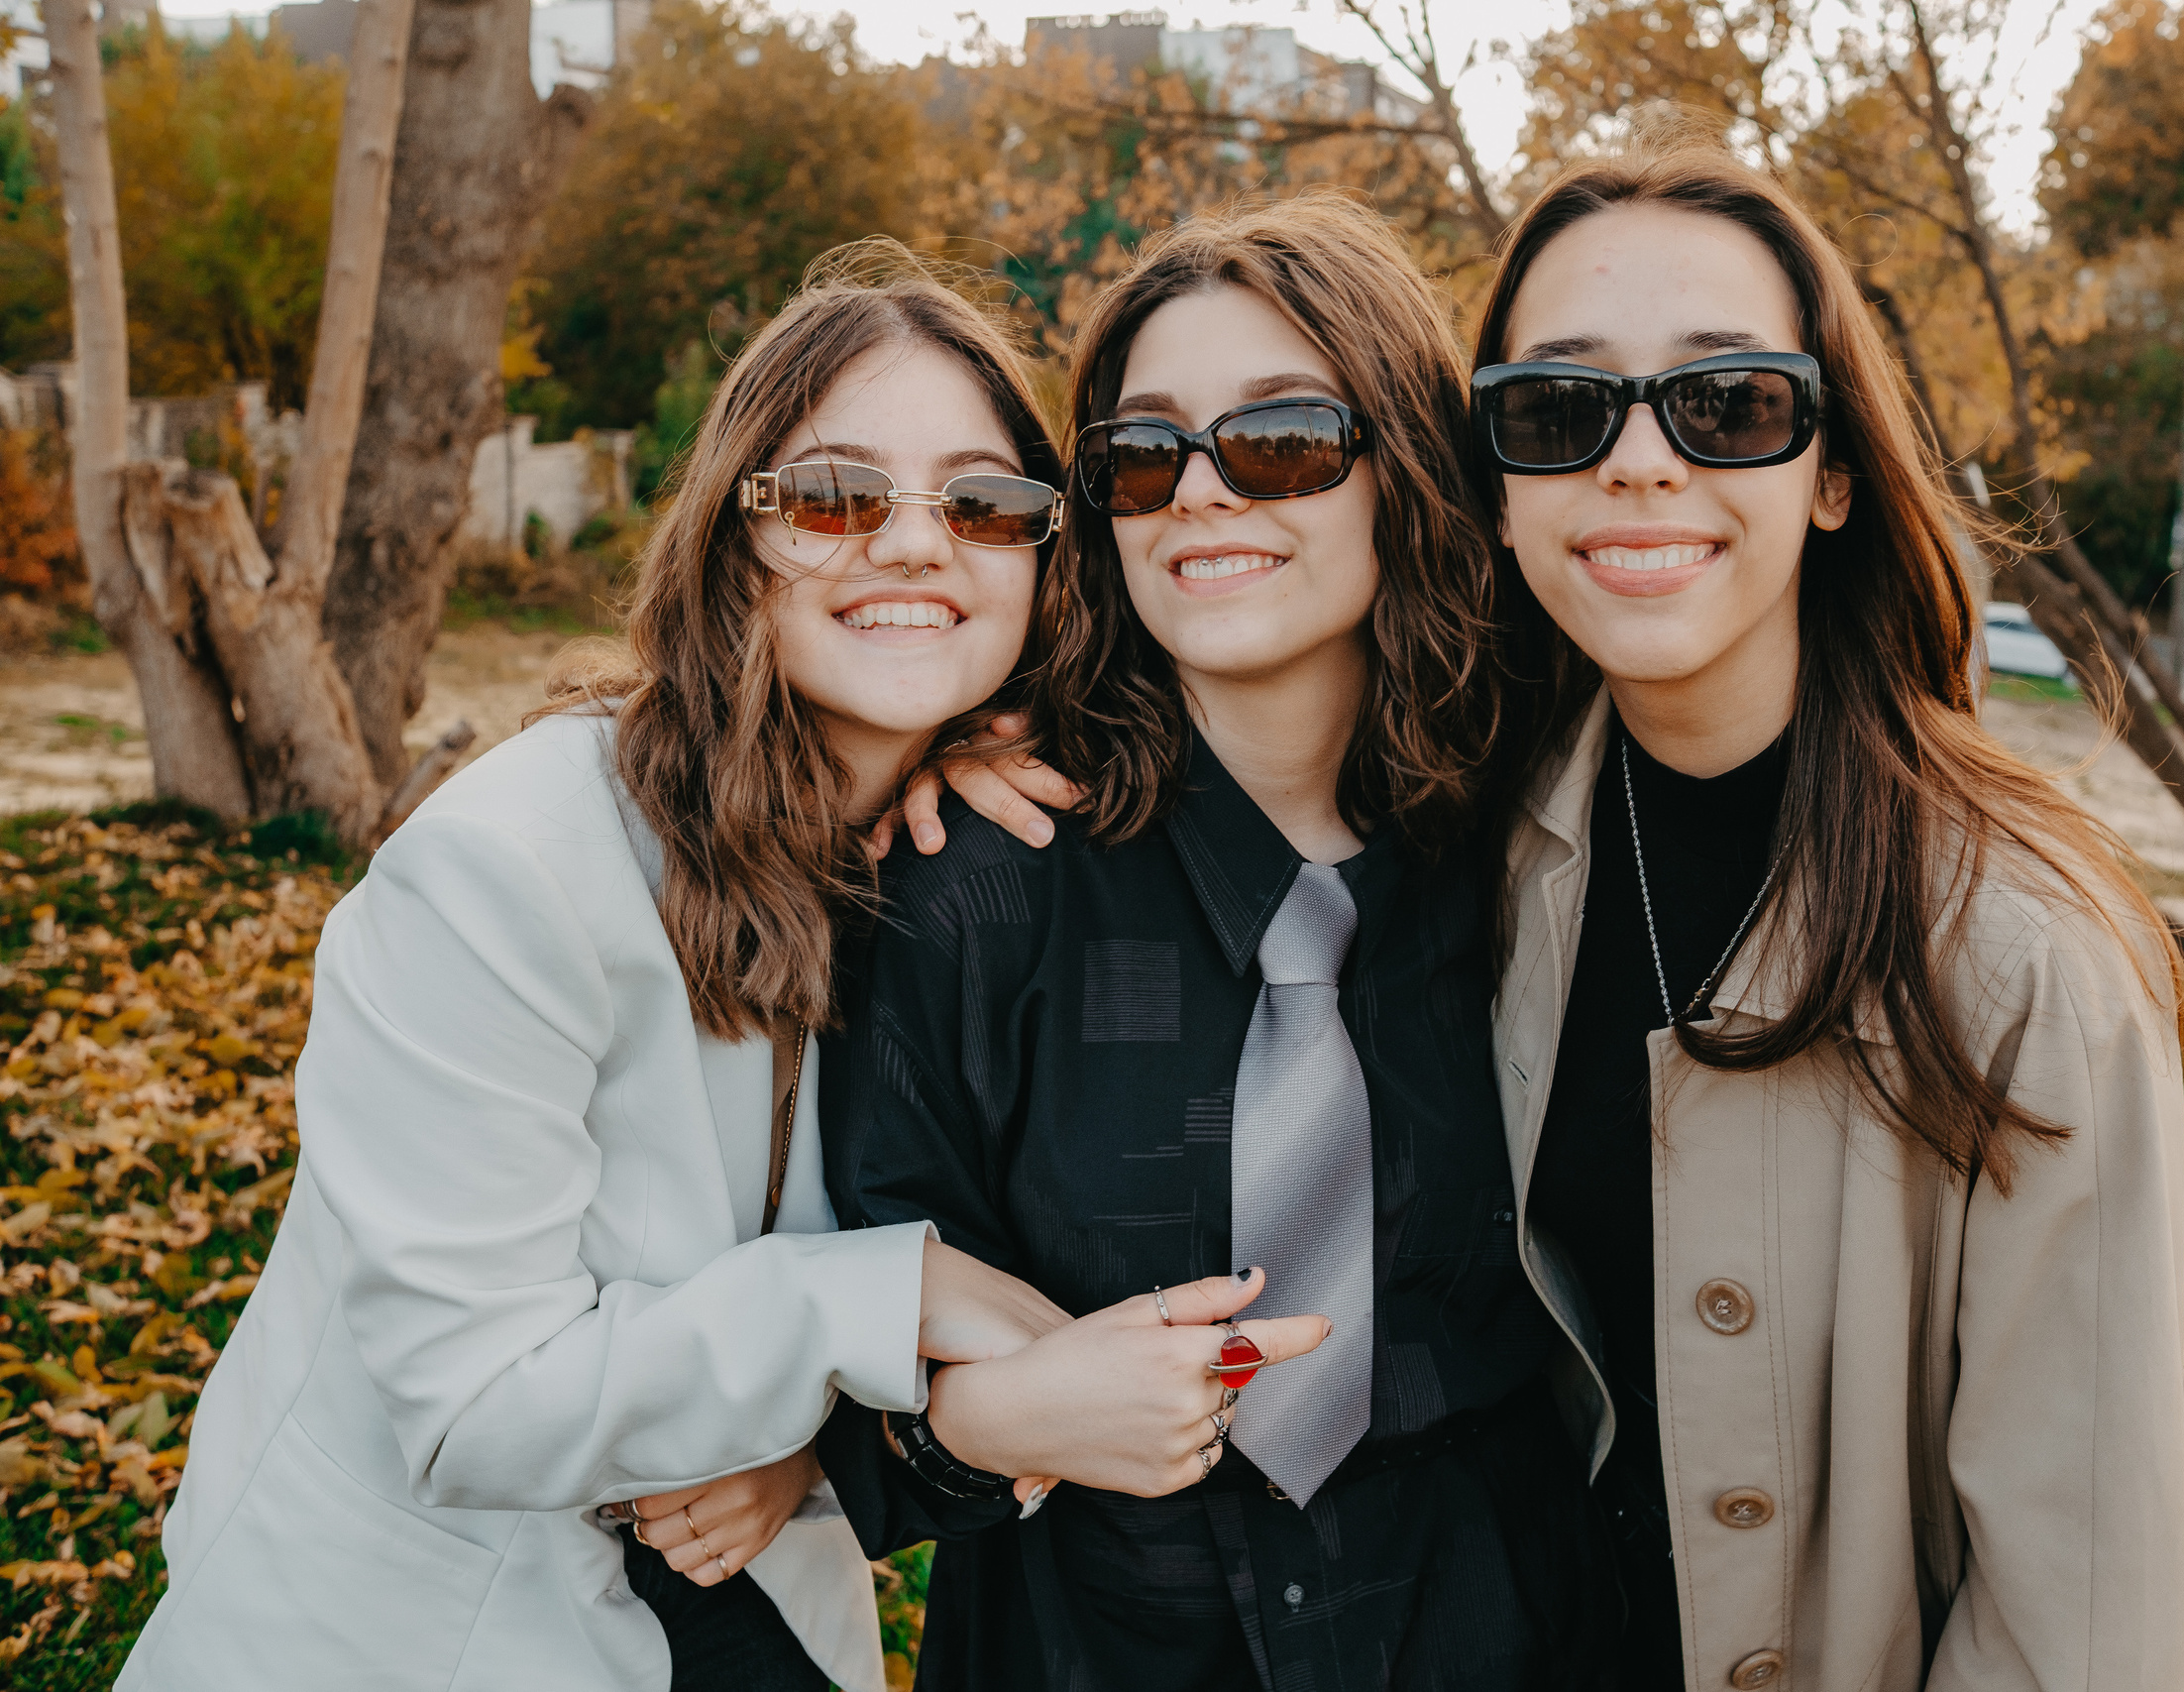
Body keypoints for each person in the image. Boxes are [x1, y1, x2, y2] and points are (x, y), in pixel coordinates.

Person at [119, 253, 1117, 1692]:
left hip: (738, 1606)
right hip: (420, 1632)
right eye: (835, 496)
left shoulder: (953, 863)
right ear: (733, 538)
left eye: (981, 502)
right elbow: (474, 1409)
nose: (915, 544)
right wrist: (883, 1300)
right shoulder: (505, 870)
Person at [1473, 134, 2184, 1688]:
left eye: (1729, 399)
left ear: (1831, 472)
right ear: (1497, 486)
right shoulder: (1474, 841)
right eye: (1558, 407)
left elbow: (2088, 1616)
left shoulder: (2027, 953)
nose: (1639, 460)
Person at [821, 194, 1613, 1692]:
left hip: (1490, 1635)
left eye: (1282, 440)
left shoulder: (1540, 847)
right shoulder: (980, 883)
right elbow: (828, 1387)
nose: (1199, 492)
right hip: (1089, 1647)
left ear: (1407, 472)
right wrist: (981, 1432)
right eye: (1138, 452)